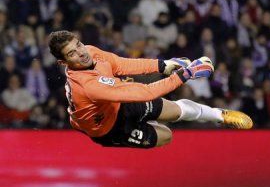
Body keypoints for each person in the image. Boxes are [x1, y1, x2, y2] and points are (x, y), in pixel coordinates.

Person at [48, 30, 252, 148]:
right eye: (72, 53)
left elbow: (120, 64)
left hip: (118, 101)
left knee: (175, 111)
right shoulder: (88, 86)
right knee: (166, 136)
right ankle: (148, 118)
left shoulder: (91, 52)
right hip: (108, 129)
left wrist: (162, 65)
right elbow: (145, 93)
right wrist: (185, 74)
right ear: (62, 62)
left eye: (79, 45)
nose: (81, 53)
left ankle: (220, 116)